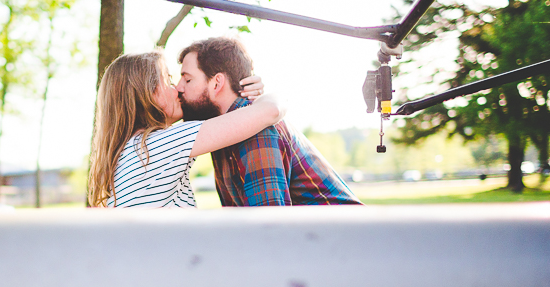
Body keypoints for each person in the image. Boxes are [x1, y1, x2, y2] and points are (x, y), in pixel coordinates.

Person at [176, 37, 361, 207]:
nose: (178, 87)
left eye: (188, 79)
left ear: (216, 83)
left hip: (351, 239)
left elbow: (269, 228)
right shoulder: (220, 130)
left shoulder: (255, 128)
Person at [88, 50, 285, 208]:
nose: (178, 89)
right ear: (147, 93)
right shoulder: (157, 145)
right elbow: (272, 110)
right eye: (168, 80)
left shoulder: (130, 152)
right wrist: (263, 96)